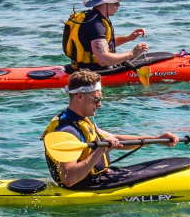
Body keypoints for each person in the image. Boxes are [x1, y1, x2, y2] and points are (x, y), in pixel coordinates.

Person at [42, 69, 178, 188]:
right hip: (83, 186)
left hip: (98, 178)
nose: (100, 105)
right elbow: (69, 179)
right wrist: (100, 151)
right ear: (79, 96)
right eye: (96, 99)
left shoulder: (81, 120)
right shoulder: (67, 130)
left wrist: (157, 139)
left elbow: (116, 139)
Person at [62, 0, 149, 70]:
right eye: (116, 2)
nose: (119, 5)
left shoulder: (91, 17)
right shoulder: (95, 24)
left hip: (80, 67)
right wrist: (132, 53)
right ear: (104, 4)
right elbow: (103, 60)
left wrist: (128, 38)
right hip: (91, 72)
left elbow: (103, 43)